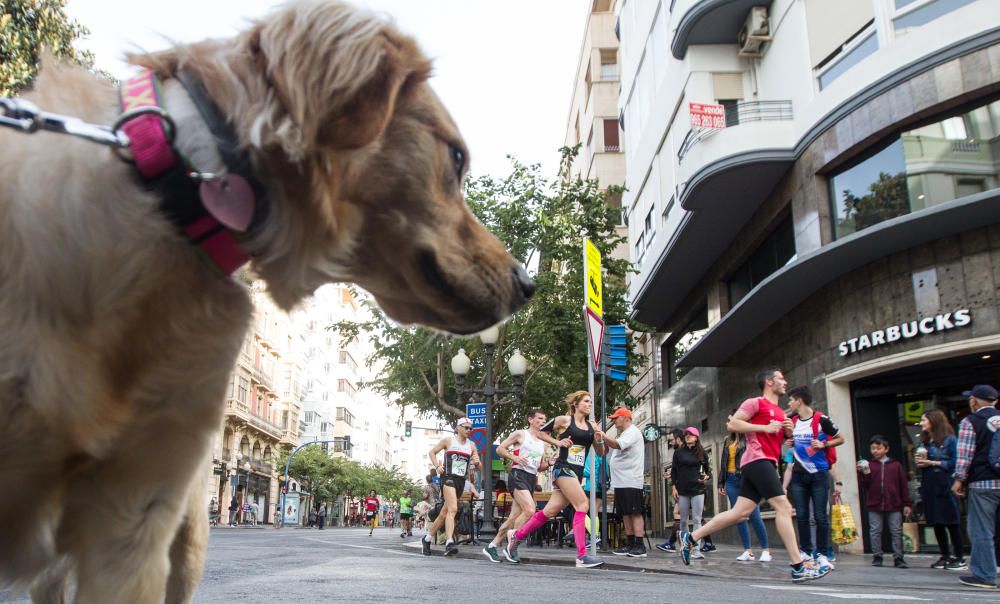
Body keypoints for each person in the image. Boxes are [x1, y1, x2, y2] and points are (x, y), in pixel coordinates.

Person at [679, 368, 829, 583]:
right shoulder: (756, 403)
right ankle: (798, 565)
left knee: (739, 513)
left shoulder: (779, 412)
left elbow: (778, 441)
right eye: (780, 378)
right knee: (784, 507)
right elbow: (733, 424)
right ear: (769, 382)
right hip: (757, 461)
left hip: (764, 462)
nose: (785, 382)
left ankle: (691, 537)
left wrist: (786, 432)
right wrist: (766, 428)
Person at [505, 390, 607, 568]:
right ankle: (582, 555)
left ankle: (516, 537)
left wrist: (598, 439)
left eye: (591, 402)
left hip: (577, 472)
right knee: (582, 505)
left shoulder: (592, 425)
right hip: (563, 468)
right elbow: (541, 433)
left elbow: (600, 452)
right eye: (586, 401)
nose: (589, 404)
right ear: (575, 404)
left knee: (549, 512)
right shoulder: (564, 420)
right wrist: (558, 443)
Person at [785, 385, 842, 571]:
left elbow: (841, 438)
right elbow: (788, 445)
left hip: (819, 474)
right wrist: (788, 443)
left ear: (799, 400)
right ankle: (806, 552)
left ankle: (823, 555)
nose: (789, 403)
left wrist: (824, 443)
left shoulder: (822, 420)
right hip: (799, 475)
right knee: (801, 515)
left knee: (820, 515)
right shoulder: (791, 421)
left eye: (791, 400)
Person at [482, 408, 550, 563]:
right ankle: (512, 543)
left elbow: (539, 466)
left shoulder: (543, 443)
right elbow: (500, 449)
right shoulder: (520, 434)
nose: (542, 422)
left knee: (513, 517)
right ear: (530, 420)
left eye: (544, 419)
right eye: (539, 418)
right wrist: (515, 457)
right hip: (518, 474)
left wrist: (549, 463)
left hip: (531, 478)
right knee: (530, 509)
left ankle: (492, 545)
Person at [950, 384, 1000, 589]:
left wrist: (959, 480)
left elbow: (965, 455)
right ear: (995, 401)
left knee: (982, 530)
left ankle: (985, 575)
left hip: (982, 483)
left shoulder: (970, 421)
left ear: (975, 401)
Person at [422, 417, 481, 556]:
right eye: (466, 428)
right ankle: (449, 542)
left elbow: (477, 467)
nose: (469, 430)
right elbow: (431, 452)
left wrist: (477, 462)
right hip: (448, 478)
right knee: (453, 508)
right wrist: (437, 466)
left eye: (470, 428)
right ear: (458, 427)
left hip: (460, 480)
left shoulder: (471, 445)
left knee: (444, 513)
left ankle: (427, 538)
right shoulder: (448, 441)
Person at [916, 409, 965, 570]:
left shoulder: (950, 440)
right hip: (929, 482)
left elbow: (955, 462)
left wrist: (933, 463)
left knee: (951, 520)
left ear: (933, 421)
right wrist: (922, 463)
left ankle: (959, 556)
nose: (921, 423)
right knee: (935, 520)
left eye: (924, 420)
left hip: (945, 481)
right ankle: (944, 555)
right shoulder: (924, 441)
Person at [718, 418, 770, 561]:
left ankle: (765, 549)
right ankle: (748, 550)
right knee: (738, 516)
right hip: (730, 480)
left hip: (747, 478)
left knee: (755, 515)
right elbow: (723, 462)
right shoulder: (727, 441)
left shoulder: (749, 438)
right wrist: (721, 483)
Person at [857, 434, 911, 569]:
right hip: (874, 503)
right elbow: (865, 485)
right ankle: (877, 556)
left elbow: (903, 485)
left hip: (894, 503)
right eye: (873, 448)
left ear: (886, 449)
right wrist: (863, 473)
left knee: (896, 530)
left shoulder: (896, 465)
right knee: (875, 530)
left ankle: (898, 557)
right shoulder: (869, 465)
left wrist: (907, 503)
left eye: (878, 448)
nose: (875, 451)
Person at [603, 407, 647, 557]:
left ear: (625, 418)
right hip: (621, 481)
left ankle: (639, 545)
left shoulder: (632, 432)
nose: (614, 420)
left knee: (634, 512)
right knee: (625, 513)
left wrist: (602, 436)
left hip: (630, 479)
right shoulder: (625, 433)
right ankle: (630, 543)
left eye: (616, 418)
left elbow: (617, 445)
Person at [672, 427, 712, 560]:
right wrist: (674, 487)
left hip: (698, 490)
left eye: (691, 435)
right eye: (686, 435)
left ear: (696, 437)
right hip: (682, 490)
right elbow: (674, 472)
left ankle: (696, 549)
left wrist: (706, 477)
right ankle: (685, 547)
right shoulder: (678, 453)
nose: (688, 436)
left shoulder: (702, 453)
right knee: (683, 520)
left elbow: (708, 472)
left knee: (696, 519)